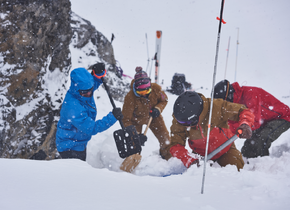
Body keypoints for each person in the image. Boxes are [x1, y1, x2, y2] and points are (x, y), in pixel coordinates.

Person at [167, 91, 254, 171]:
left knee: (235, 167)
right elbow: (175, 145)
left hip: (225, 149)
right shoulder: (180, 119)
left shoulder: (216, 107)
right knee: (196, 176)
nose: (184, 125)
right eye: (182, 122)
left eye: (188, 122)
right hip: (199, 155)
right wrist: (188, 159)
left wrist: (245, 123)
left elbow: (243, 110)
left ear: (197, 116)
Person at [56, 63, 123, 161]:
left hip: (78, 142)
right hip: (69, 147)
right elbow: (92, 128)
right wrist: (112, 117)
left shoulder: (82, 92)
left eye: (90, 90)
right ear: (76, 89)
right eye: (85, 92)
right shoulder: (72, 108)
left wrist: (97, 75)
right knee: (76, 174)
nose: (88, 93)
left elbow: (90, 85)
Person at [214, 80, 290, 158]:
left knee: (262, 139)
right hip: (265, 120)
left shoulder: (250, 94)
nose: (224, 105)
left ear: (228, 96)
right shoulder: (235, 101)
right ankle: (246, 162)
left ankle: (263, 165)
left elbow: (255, 122)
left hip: (283, 117)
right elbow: (231, 121)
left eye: (224, 102)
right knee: (249, 145)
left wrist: (229, 128)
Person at [122, 67, 171, 159]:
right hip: (135, 121)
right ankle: (133, 160)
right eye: (141, 92)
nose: (144, 94)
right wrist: (135, 135)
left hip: (154, 117)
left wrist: (158, 109)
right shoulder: (130, 97)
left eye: (147, 91)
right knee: (135, 143)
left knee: (165, 139)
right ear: (136, 89)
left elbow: (164, 100)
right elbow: (125, 119)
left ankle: (167, 157)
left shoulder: (156, 89)